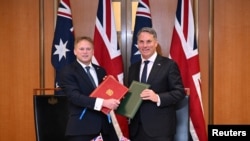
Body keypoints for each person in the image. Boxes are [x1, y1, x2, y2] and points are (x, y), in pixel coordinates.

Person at [128, 27, 186, 141]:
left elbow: (180, 92)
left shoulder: (169, 65)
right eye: (141, 42)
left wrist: (157, 97)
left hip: (160, 130)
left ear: (156, 43)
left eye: (149, 41)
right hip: (136, 130)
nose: (145, 45)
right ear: (137, 44)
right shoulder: (133, 68)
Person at [59, 36, 120, 141]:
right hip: (81, 129)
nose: (85, 52)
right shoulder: (68, 71)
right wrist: (103, 103)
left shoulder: (101, 71)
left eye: (88, 49)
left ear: (93, 52)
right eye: (81, 49)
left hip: (105, 128)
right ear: (75, 51)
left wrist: (113, 86)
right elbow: (75, 97)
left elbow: (106, 94)